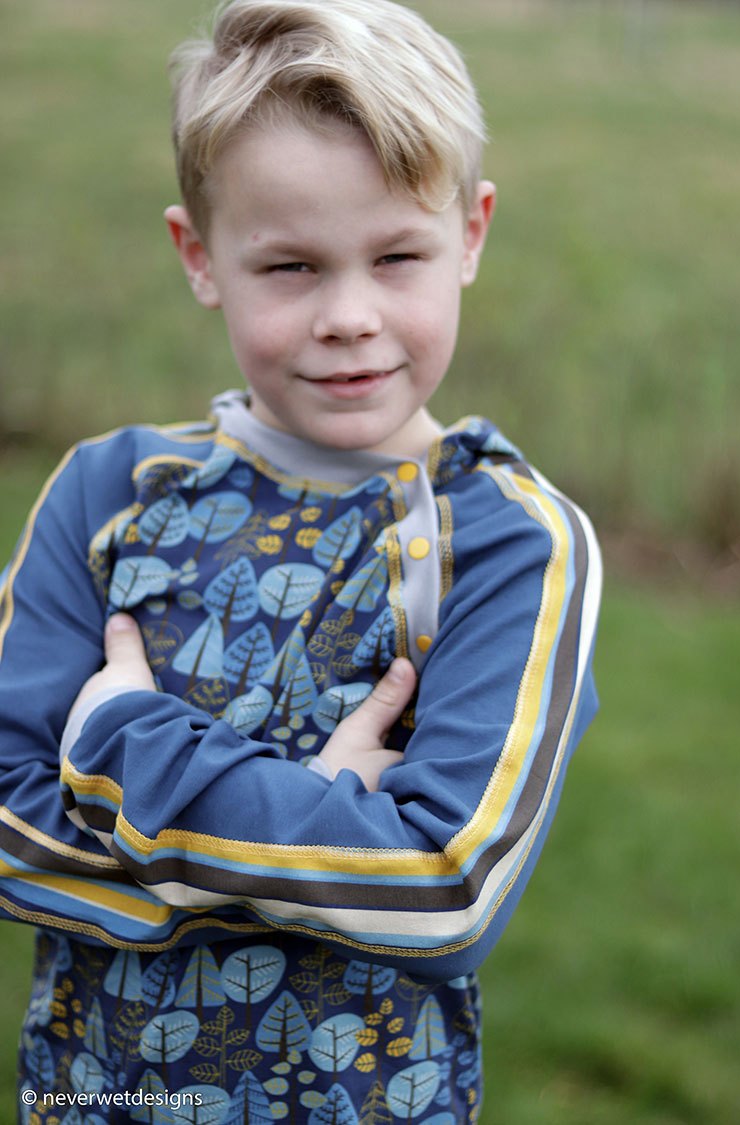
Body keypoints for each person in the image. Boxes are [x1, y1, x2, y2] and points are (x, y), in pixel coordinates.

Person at [0, 0, 602, 1120]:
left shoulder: (506, 540)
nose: (350, 316)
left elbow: (444, 895)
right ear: (200, 257)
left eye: (398, 256)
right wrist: (323, 823)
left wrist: (120, 743)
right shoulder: (108, 492)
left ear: (472, 234)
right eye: (290, 266)